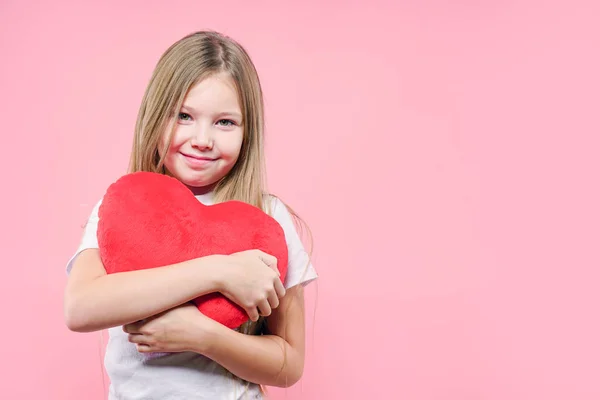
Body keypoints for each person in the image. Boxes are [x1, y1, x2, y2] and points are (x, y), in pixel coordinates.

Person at [63, 30, 318, 400]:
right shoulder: (122, 208)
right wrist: (219, 271)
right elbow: (80, 308)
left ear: (248, 132)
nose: (202, 139)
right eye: (184, 115)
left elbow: (289, 363)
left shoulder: (268, 217)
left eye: (225, 122)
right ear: (155, 115)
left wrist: (203, 336)